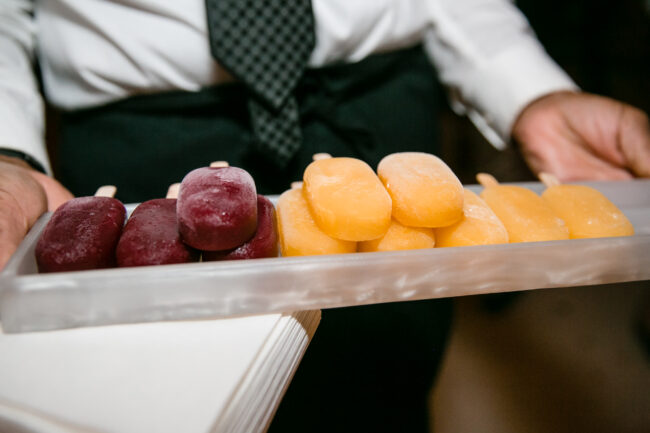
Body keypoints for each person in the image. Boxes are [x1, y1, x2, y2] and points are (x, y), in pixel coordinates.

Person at [0, 1, 648, 432]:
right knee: (158, 406)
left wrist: (528, 88)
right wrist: (7, 150)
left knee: (380, 391)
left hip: (376, 107)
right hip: (146, 127)